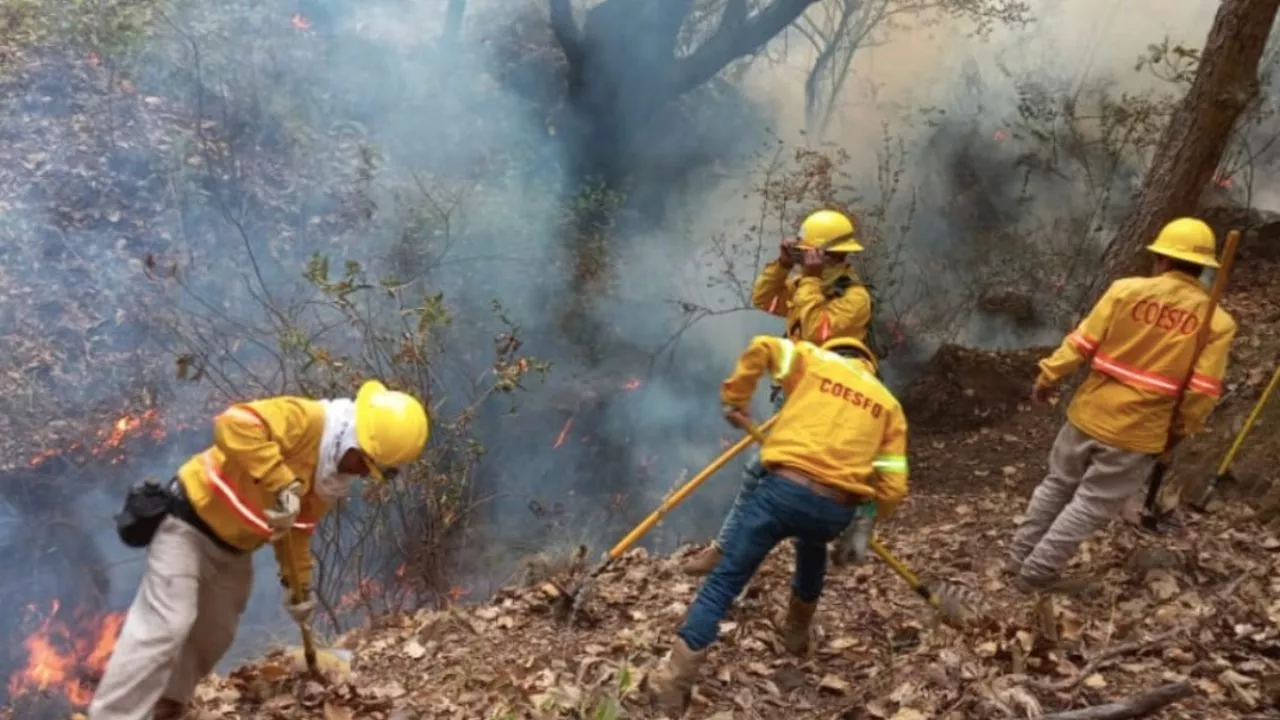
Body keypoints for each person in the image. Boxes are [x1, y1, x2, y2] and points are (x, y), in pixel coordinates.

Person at [89, 381, 429, 720]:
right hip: (187, 525)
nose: (363, 475)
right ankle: (111, 715)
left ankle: (167, 705)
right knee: (168, 622)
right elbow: (233, 423)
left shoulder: (331, 475)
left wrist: (298, 587)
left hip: (235, 551)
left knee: (214, 634)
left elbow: (298, 528)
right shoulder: (306, 420)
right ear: (357, 441)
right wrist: (281, 480)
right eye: (365, 465)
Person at [649, 335, 909, 716]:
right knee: (811, 542)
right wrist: (866, 521)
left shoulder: (815, 361)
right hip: (832, 511)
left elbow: (763, 347)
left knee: (723, 584)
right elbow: (893, 484)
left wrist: (735, 398)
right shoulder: (888, 405)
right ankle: (796, 635)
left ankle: (672, 683)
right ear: (871, 366)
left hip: (783, 492)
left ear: (836, 352)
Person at [1008, 217, 1236, 593]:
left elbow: (1080, 344)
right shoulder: (1216, 323)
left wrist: (1048, 378)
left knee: (1056, 485)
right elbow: (1202, 392)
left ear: (1161, 259)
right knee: (1090, 505)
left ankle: (1019, 557)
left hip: (1088, 413)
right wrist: (1178, 432)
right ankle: (1035, 574)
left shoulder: (1124, 291)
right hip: (1137, 433)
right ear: (1202, 269)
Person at [683, 209, 875, 576]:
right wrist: (783, 265)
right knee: (761, 471)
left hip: (831, 399)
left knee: (773, 470)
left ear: (830, 254)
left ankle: (847, 533)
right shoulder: (807, 283)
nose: (805, 257)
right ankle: (727, 548)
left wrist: (809, 280)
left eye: (808, 251)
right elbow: (765, 299)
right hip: (796, 393)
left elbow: (818, 331)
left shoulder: (854, 298)